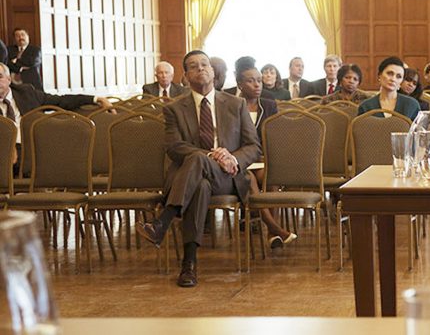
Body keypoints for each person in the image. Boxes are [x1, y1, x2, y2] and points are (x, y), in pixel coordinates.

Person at [138, 50, 262, 287]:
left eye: (205, 64)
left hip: (227, 177)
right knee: (201, 183)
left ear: (213, 72)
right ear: (185, 76)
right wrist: (211, 155)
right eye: (194, 66)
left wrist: (232, 159)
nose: (201, 68)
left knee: (198, 162)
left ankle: (164, 219)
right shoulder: (174, 108)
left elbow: (253, 146)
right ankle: (189, 265)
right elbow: (174, 147)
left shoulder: (235, 104)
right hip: (194, 178)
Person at [0, 62, 111, 174]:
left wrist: (95, 99)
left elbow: (61, 101)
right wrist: (9, 145)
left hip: (34, 149)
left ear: (9, 79)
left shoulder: (26, 94)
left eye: (0, 77)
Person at [235, 64, 297, 248]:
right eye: (251, 81)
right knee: (249, 180)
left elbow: (274, 137)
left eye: (259, 81)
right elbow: (227, 138)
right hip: (239, 162)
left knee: (272, 177)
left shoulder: (269, 105)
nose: (257, 85)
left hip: (262, 160)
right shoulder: (231, 105)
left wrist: (264, 157)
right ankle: (275, 229)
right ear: (239, 84)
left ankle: (272, 233)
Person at [358, 57, 420, 121]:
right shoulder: (366, 106)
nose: (393, 79)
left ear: (401, 81)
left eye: (398, 76)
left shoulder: (412, 105)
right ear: (379, 75)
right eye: (390, 74)